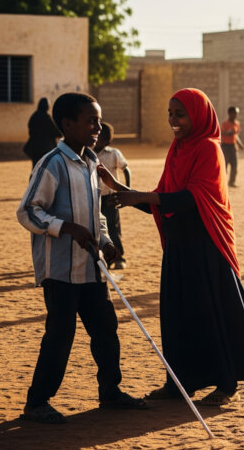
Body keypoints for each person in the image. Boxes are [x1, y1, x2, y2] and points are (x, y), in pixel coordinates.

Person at [101, 88, 244, 407]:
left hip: (205, 244)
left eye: (180, 114)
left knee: (210, 314)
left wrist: (140, 196)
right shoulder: (178, 148)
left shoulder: (208, 148)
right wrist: (122, 190)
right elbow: (163, 201)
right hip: (179, 247)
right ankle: (180, 382)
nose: (173, 120)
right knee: (177, 315)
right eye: (169, 113)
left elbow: (194, 198)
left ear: (199, 114)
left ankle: (225, 383)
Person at [16, 92, 147, 424]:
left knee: (105, 328)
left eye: (98, 120)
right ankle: (37, 401)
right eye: (90, 120)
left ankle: (110, 392)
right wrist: (65, 227)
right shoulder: (52, 163)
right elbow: (28, 212)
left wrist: (105, 240)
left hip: (90, 266)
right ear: (67, 124)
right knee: (60, 334)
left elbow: (96, 212)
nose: (97, 127)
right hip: (59, 269)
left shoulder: (92, 163)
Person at [95, 121, 130, 270]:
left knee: (113, 228)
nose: (97, 139)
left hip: (110, 197)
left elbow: (126, 169)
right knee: (97, 228)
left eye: (102, 137)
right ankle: (104, 258)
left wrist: (126, 189)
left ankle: (119, 257)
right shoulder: (88, 153)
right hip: (94, 197)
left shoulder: (114, 153)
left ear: (107, 140)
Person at [23, 97, 62, 167]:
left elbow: (31, 130)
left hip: (34, 148)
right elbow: (56, 132)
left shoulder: (34, 116)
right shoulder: (46, 117)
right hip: (46, 149)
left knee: (36, 168)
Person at [220, 106, 244, 187]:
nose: (235, 115)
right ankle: (222, 183)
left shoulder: (237, 124)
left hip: (233, 147)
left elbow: (236, 135)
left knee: (234, 165)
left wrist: (240, 144)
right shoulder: (225, 124)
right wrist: (228, 133)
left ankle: (232, 182)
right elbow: (222, 133)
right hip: (225, 146)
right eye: (234, 113)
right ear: (230, 113)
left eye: (236, 114)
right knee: (224, 165)